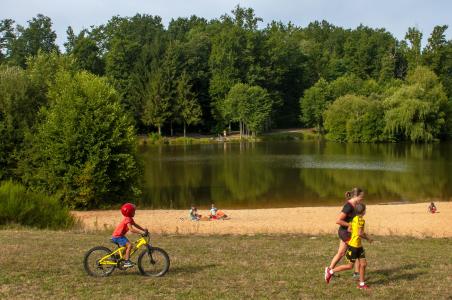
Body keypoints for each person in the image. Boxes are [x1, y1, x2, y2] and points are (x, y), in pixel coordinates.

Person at [325, 203, 373, 289]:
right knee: (349, 266)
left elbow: (349, 229)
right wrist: (368, 238)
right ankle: (330, 271)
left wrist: (354, 235)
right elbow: (360, 233)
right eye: (365, 209)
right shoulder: (361, 220)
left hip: (358, 245)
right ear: (363, 211)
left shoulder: (353, 219)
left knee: (363, 264)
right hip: (354, 247)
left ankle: (361, 284)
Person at [325, 188, 364, 281]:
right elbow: (338, 221)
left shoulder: (356, 204)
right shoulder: (348, 206)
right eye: (361, 197)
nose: (362, 199)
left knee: (341, 253)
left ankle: (329, 270)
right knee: (357, 250)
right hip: (345, 233)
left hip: (349, 232)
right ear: (356, 196)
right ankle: (356, 273)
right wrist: (351, 225)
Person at [112, 203, 148, 268]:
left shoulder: (129, 218)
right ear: (130, 212)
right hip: (118, 236)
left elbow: (135, 225)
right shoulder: (127, 219)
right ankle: (127, 261)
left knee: (126, 247)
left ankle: (117, 257)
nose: (134, 212)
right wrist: (141, 232)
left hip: (119, 235)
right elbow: (131, 229)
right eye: (133, 211)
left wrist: (143, 229)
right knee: (129, 245)